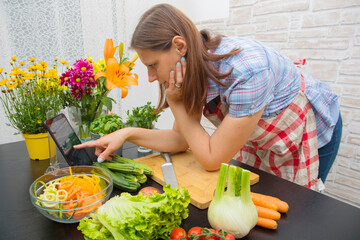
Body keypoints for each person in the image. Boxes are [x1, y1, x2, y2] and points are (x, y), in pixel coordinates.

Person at [75, 4, 342, 190]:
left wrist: (178, 104)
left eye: (152, 65)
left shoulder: (247, 71)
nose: (151, 78)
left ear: (179, 45)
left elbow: (212, 159)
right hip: (261, 138)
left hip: (306, 133)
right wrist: (126, 132)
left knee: (298, 212)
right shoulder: (190, 65)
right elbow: (181, 140)